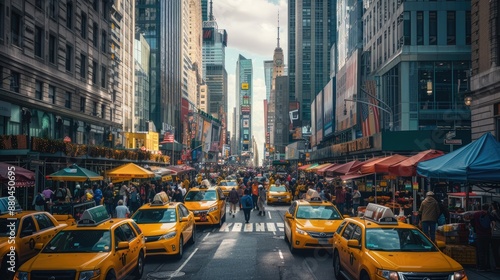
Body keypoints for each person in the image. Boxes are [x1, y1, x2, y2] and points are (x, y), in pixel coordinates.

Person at [471, 203, 492, 271]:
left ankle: (481, 266)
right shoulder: (489, 214)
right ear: (488, 208)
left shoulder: (476, 214)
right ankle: (488, 266)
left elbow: (472, 223)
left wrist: (475, 229)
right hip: (488, 234)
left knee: (480, 251)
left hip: (479, 234)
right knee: (487, 250)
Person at [490, 201, 500, 270]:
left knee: (495, 251)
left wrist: (491, 231)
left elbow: (492, 224)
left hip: (495, 234)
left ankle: (497, 265)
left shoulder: (493, 213)